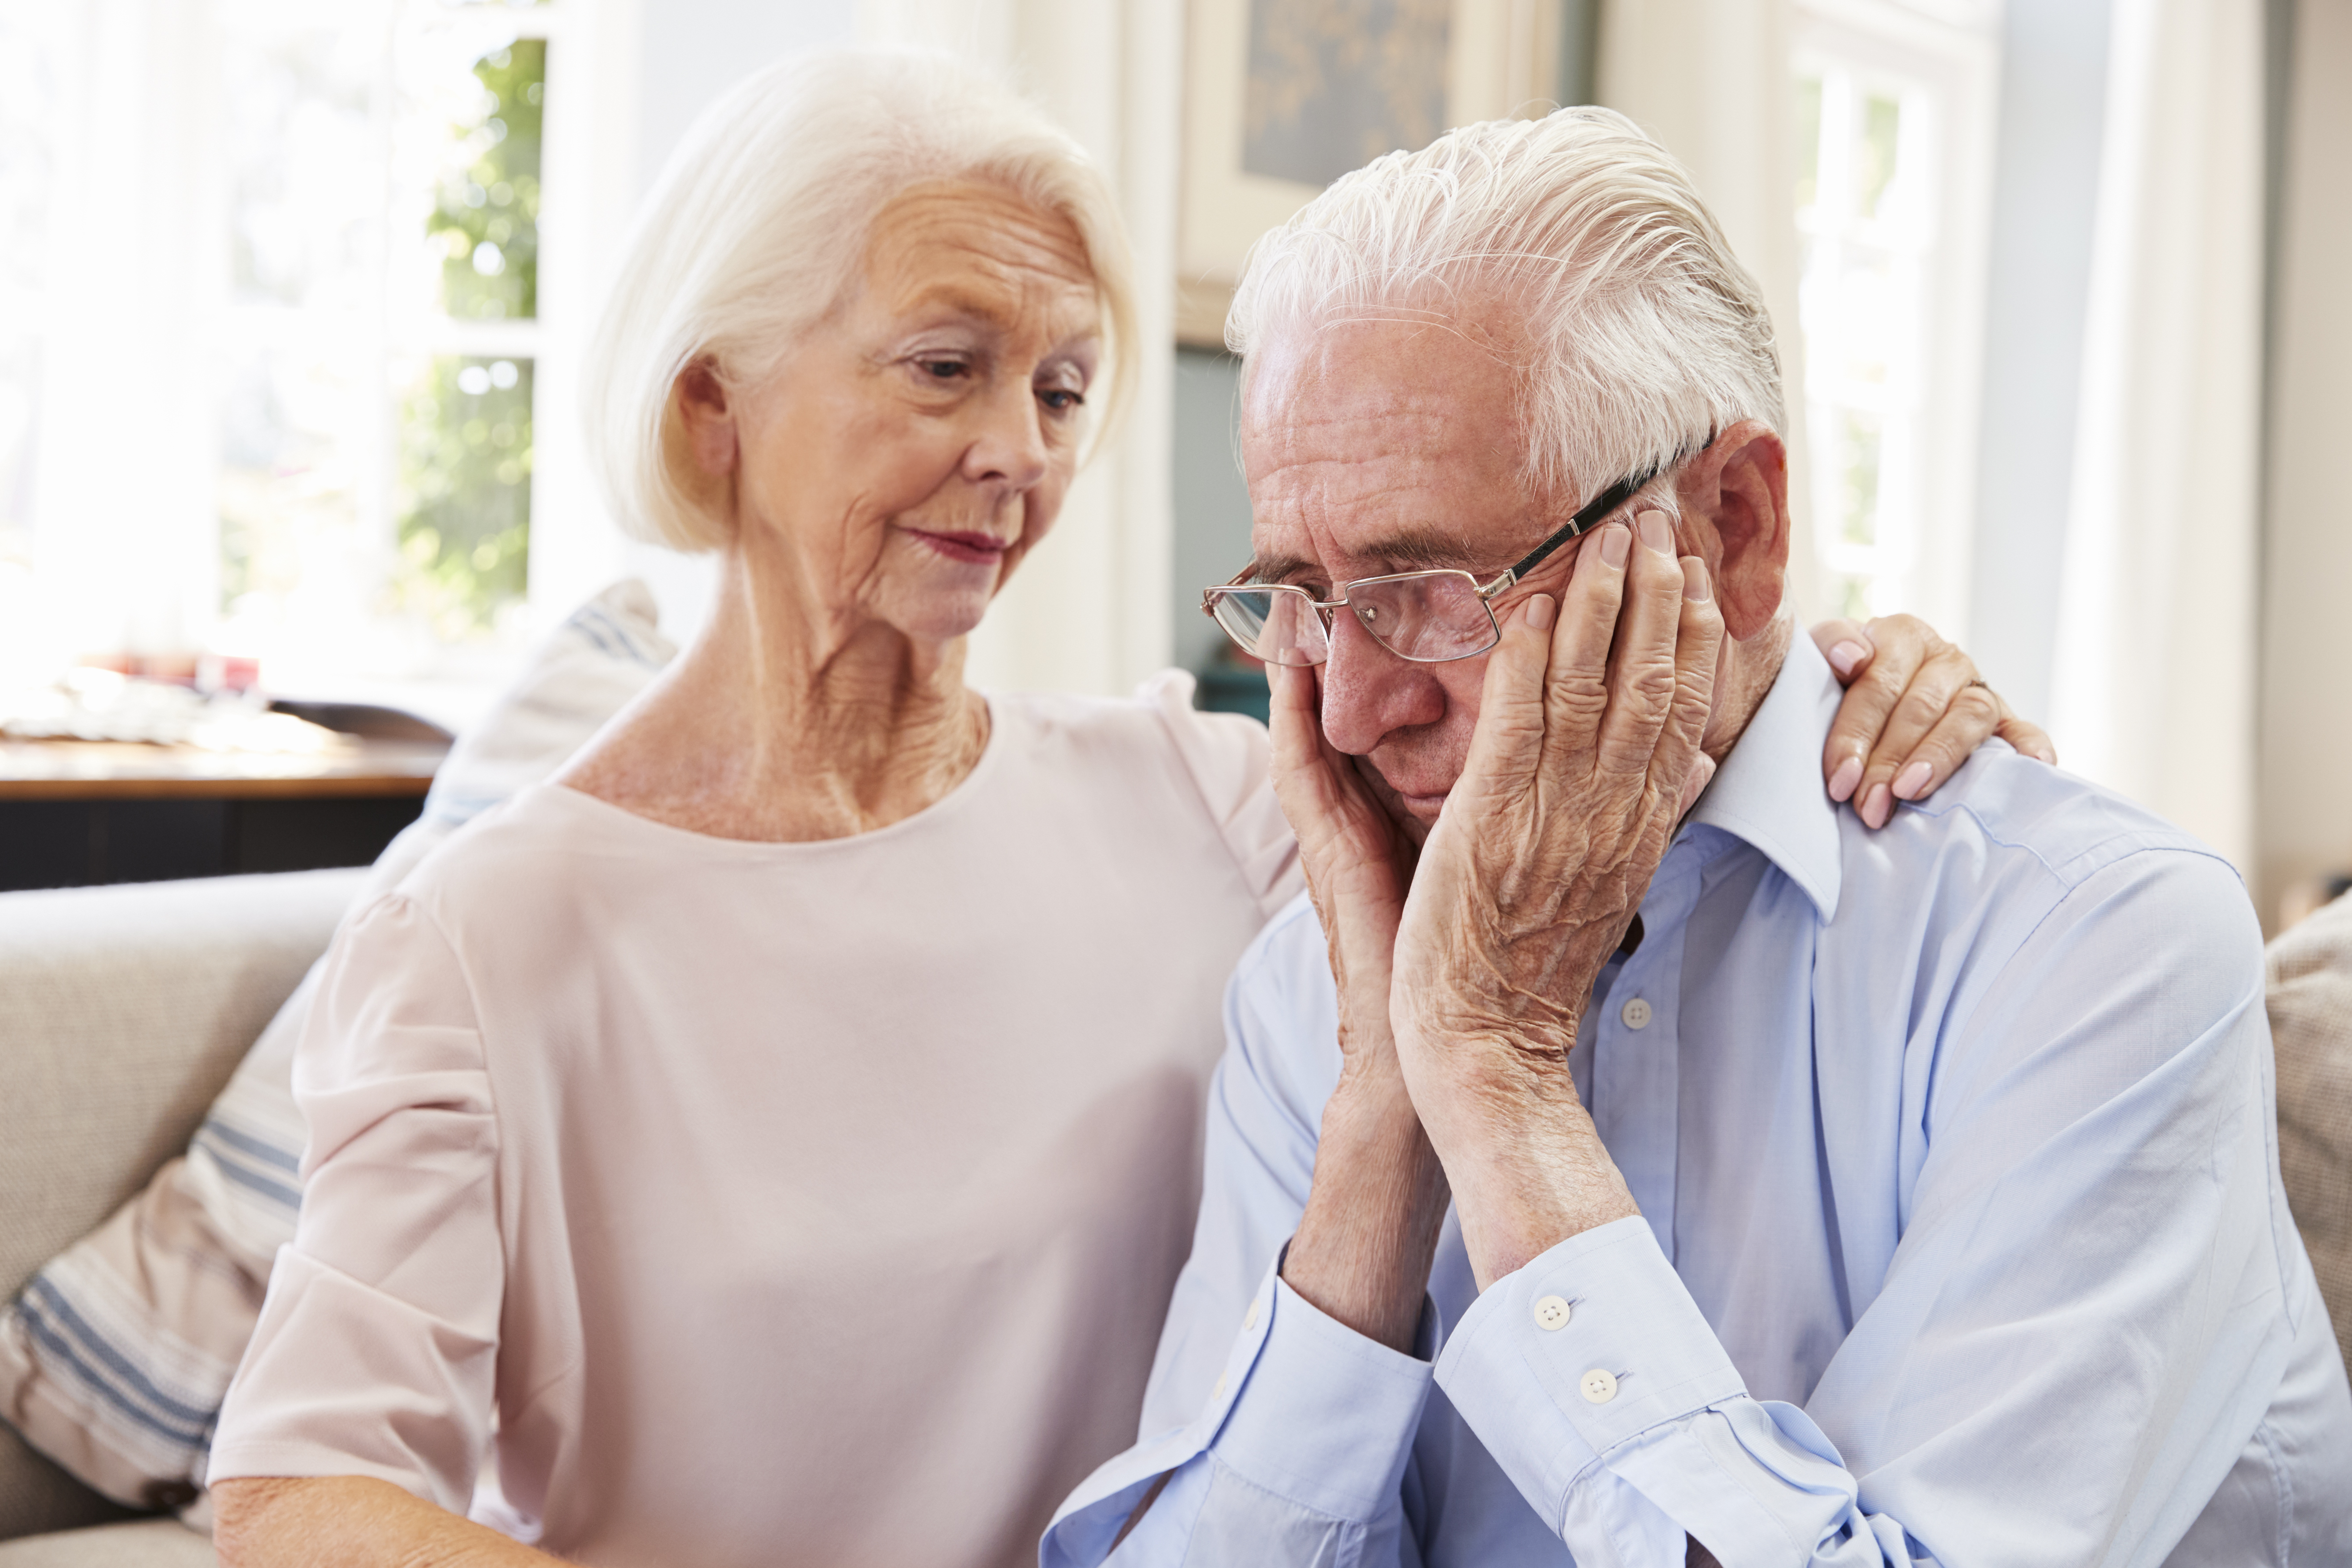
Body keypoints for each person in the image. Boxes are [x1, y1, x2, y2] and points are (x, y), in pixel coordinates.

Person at [204, 55, 2027, 1568]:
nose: (1023, 450)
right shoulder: (482, 932)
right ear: (711, 411)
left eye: (1062, 385)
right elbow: (299, 1496)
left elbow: (1613, 756)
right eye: (945, 365)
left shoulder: (1222, 797)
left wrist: (1832, 665)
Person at [1047, 107, 2352, 1566]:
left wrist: (1490, 1066)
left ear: (1731, 525)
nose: (1350, 709)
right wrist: (1387, 1110)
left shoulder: (2096, 944)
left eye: (1424, 586)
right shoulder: (1320, 987)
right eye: (1302, 596)